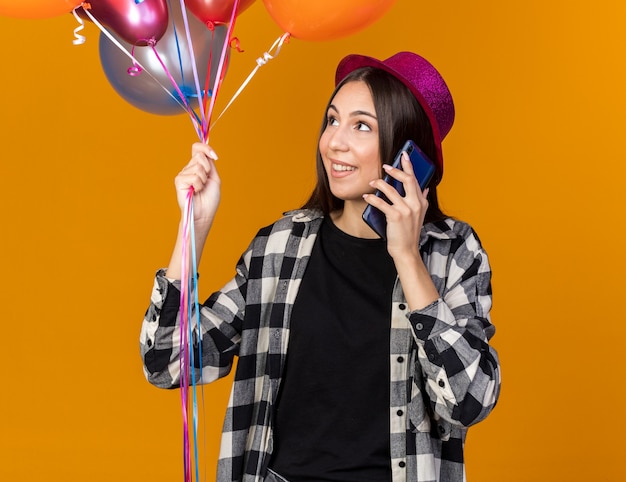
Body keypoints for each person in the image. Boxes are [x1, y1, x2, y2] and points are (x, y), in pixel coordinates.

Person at [140, 51, 501, 482]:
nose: (334, 142)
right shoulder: (280, 245)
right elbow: (167, 361)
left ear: (410, 153)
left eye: (361, 126)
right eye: (332, 120)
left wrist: (406, 256)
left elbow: (469, 402)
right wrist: (192, 229)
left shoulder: (453, 252)